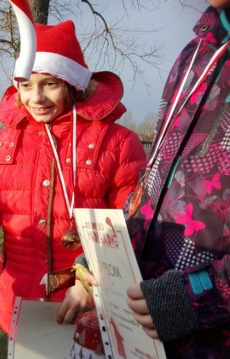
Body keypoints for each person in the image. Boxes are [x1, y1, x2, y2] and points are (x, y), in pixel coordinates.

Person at [0, 20, 146, 333]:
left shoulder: (117, 143)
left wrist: (91, 284)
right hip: (19, 304)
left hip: (90, 307)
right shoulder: (0, 143)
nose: (36, 97)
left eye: (50, 83)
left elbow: (131, 224)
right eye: (26, 84)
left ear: (73, 84)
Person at [120, 2, 230, 357]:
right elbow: (158, 176)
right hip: (152, 328)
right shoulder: (195, 52)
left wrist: (198, 296)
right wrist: (108, 252)